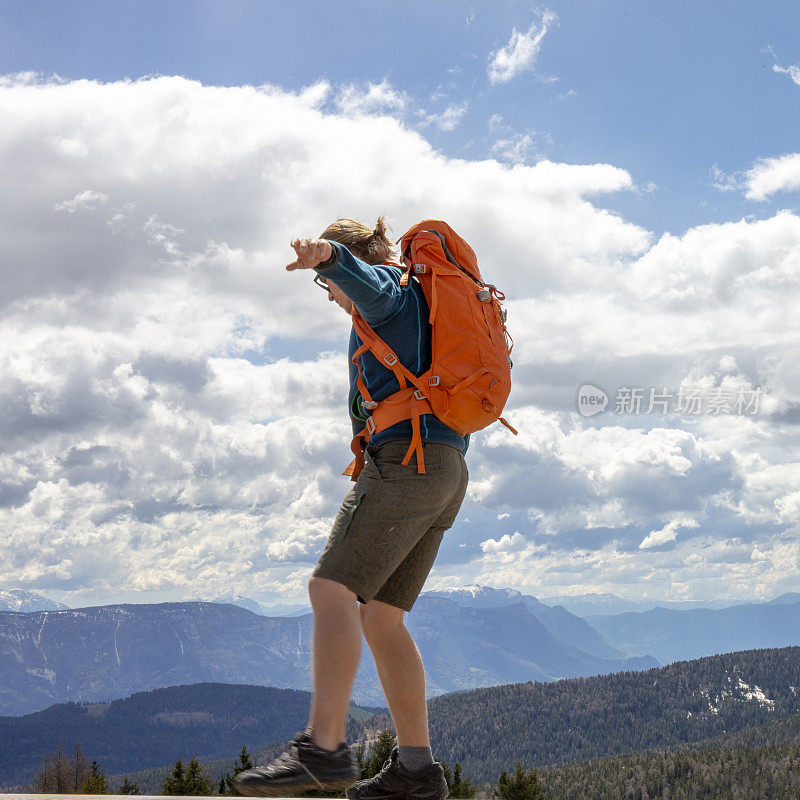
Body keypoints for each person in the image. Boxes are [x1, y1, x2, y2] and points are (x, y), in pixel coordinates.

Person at [235, 217, 469, 800]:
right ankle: (416, 770)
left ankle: (324, 751)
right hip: (443, 468)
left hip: (407, 460)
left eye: (330, 288)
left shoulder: (389, 290)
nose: (334, 298)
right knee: (381, 617)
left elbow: (370, 286)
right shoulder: (421, 296)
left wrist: (329, 259)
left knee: (329, 590)